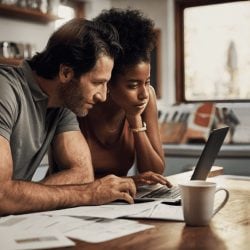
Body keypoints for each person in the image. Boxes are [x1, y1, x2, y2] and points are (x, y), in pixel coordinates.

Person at [0, 18, 136, 216]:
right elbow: (2, 195)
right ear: (65, 73)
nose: (103, 95)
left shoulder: (62, 104)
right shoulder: (5, 90)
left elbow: (82, 174)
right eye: (98, 82)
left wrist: (22, 197)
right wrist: (89, 194)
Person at [78, 8, 172, 187]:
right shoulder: (81, 103)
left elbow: (154, 171)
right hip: (73, 204)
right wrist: (128, 181)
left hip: (117, 205)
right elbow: (67, 178)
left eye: (147, 82)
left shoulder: (145, 99)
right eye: (132, 85)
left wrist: (134, 119)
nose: (144, 93)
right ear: (107, 81)